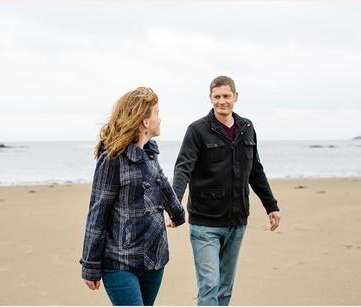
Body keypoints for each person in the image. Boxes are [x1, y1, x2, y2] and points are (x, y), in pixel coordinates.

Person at [171, 75, 281, 306]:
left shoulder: (247, 128)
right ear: (210, 98)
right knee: (209, 284)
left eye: (226, 96)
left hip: (237, 221)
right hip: (204, 224)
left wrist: (271, 206)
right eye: (217, 96)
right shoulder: (197, 130)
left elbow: (256, 171)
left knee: (225, 289)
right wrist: (174, 204)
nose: (222, 101)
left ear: (236, 97)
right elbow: (183, 168)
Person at [80, 86, 186, 306]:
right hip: (120, 261)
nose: (160, 118)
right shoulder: (112, 159)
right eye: (156, 113)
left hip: (154, 257)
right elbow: (97, 212)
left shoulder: (150, 153)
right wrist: (90, 264)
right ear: (145, 121)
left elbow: (163, 185)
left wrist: (177, 214)